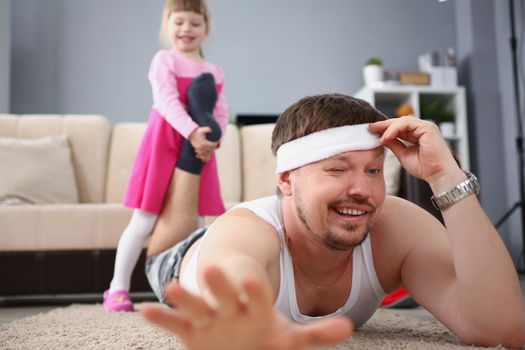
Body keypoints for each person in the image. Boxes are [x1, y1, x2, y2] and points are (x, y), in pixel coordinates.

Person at [141, 94, 525, 349]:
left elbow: (500, 327)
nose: (362, 189)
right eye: (337, 169)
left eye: (374, 171)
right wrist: (239, 323)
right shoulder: (247, 235)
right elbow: (235, 281)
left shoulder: (397, 225)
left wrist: (446, 176)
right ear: (286, 179)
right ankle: (187, 160)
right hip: (181, 258)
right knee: (165, 234)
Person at [103, 0, 229, 312]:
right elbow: (166, 101)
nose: (187, 29)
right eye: (179, 22)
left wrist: (214, 138)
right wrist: (192, 132)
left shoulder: (213, 71)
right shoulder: (164, 60)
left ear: (206, 30)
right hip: (165, 144)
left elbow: (221, 112)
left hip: (200, 149)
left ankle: (191, 286)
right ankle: (117, 287)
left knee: (195, 220)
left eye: (195, 23)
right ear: (167, 27)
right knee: (143, 219)